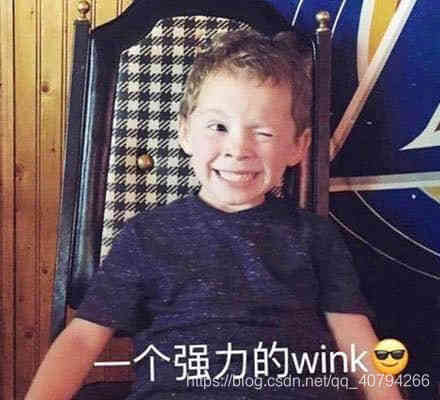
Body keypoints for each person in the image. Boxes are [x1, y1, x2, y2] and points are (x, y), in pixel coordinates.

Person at [26, 30, 404, 400]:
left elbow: (355, 336)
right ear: (185, 132)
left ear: (297, 146)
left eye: (264, 133)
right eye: (218, 127)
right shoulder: (146, 236)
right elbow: (82, 338)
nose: (238, 149)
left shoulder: (314, 236)